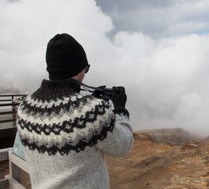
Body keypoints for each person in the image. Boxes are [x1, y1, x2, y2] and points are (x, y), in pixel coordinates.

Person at [16, 33, 133, 189]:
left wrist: (87, 103)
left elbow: (59, 121)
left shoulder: (25, 107)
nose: (85, 73)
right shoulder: (90, 112)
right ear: (79, 71)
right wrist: (120, 110)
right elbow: (122, 146)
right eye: (86, 68)